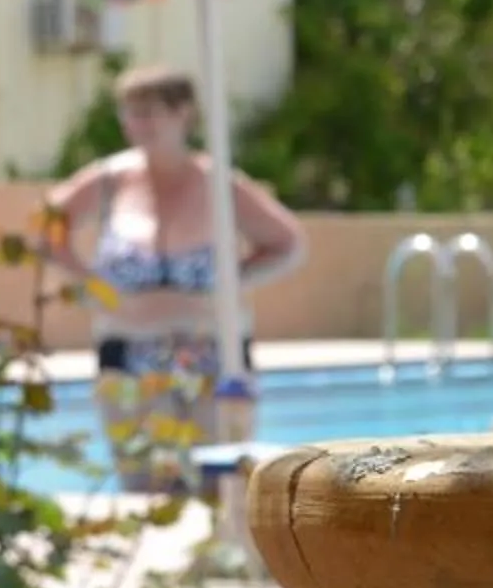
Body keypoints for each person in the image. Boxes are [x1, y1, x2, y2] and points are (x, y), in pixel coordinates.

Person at [43, 64, 306, 493]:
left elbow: (289, 243)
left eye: (149, 112)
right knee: (142, 488)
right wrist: (93, 287)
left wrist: (231, 284)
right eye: (129, 113)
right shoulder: (110, 181)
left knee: (220, 487)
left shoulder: (219, 183)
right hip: (129, 361)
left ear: (183, 112)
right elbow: (45, 229)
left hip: (213, 361)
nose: (137, 124)